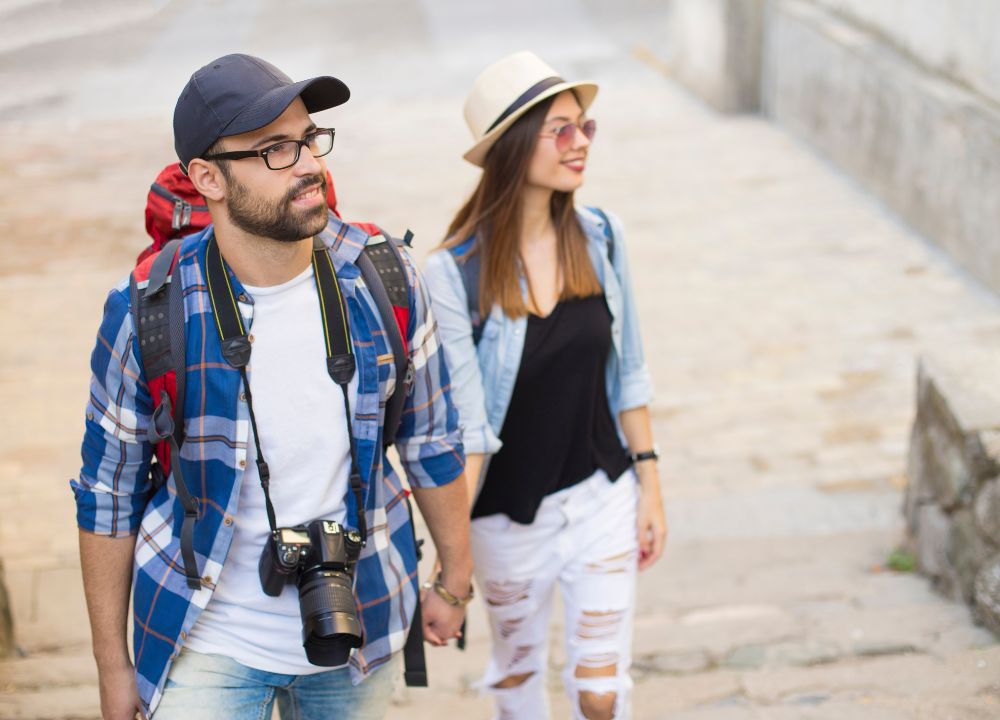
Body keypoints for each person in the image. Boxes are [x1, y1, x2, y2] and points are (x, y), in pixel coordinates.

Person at [72, 54, 472, 720]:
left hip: (361, 622)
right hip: (203, 638)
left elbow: (431, 440)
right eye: (273, 150)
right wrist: (114, 669)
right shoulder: (149, 307)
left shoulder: (384, 278)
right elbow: (107, 495)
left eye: (309, 139)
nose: (310, 163)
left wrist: (454, 579)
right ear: (208, 178)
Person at [422, 51, 667, 720]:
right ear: (511, 148)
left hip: (602, 499)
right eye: (560, 129)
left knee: (599, 692)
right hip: (507, 520)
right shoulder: (454, 273)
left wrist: (649, 485)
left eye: (585, 126)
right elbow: (471, 430)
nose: (580, 143)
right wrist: (453, 566)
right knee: (519, 684)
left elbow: (630, 371)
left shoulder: (602, 236)